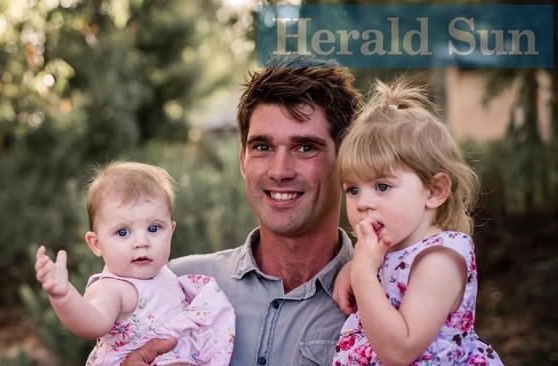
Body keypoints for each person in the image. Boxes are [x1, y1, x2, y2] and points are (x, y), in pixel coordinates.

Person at [121, 55, 363, 366]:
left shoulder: (390, 302)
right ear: (242, 161)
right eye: (262, 147)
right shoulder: (174, 285)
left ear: (347, 162)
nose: (279, 171)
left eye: (305, 147)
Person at [331, 79, 502, 365]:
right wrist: (356, 266)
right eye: (353, 189)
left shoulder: (438, 262)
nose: (363, 202)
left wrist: (362, 274)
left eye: (382, 186)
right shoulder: (388, 251)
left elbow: (400, 351)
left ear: (434, 191)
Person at [34, 161, 235, 366]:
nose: (142, 242)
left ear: (171, 231)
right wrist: (63, 296)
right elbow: (93, 322)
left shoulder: (164, 274)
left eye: (154, 228)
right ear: (96, 244)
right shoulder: (112, 288)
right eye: (123, 232)